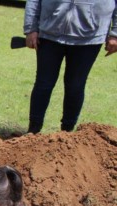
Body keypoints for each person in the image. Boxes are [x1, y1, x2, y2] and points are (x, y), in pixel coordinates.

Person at [24, 0, 117, 134]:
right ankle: (33, 131)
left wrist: (115, 34)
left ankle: (67, 135)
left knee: (75, 85)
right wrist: (31, 28)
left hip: (89, 38)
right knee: (43, 83)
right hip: (50, 33)